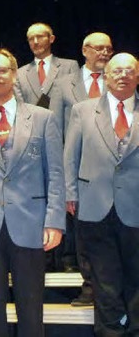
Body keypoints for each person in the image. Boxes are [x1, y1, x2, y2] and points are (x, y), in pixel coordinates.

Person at [0, 48, 65, 337]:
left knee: (31, 309)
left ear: (14, 75)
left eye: (1, 70)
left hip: (30, 223)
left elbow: (55, 172)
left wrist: (54, 220)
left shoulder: (43, 118)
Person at [64, 52, 139, 336]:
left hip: (136, 208)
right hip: (94, 207)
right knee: (104, 281)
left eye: (129, 70)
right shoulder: (83, 110)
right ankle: (110, 332)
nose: (122, 75)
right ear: (105, 76)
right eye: (116, 71)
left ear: (137, 76)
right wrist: (70, 192)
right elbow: (70, 155)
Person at [52, 32, 113, 307]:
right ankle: (89, 286)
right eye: (99, 48)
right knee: (84, 233)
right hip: (76, 165)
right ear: (85, 50)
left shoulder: (118, 81)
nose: (104, 53)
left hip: (112, 168)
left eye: (108, 49)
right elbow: (53, 125)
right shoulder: (66, 83)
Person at [14, 23, 79, 107]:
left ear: (51, 39)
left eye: (40, 37)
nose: (35, 42)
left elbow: (76, 101)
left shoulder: (69, 67)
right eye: (31, 39)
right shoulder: (20, 73)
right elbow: (20, 106)